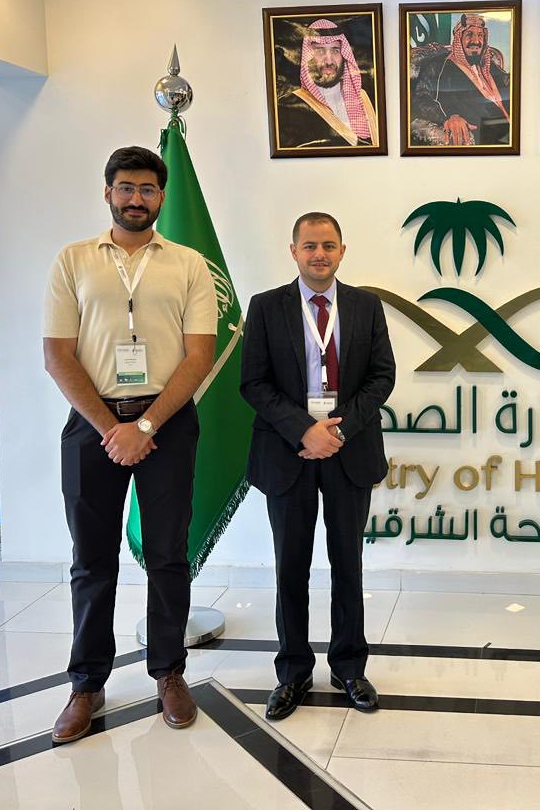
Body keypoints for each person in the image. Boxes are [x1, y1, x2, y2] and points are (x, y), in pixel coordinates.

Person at [42, 146, 218, 743]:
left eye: (146, 189)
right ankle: (86, 685)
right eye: (125, 187)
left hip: (167, 422)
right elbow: (57, 355)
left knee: (168, 554)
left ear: (162, 196)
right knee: (92, 559)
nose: (135, 198)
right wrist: (110, 427)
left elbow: (200, 355)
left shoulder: (189, 264)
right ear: (108, 193)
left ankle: (169, 672)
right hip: (92, 424)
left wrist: (144, 427)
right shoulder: (72, 260)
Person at [239, 212, 395, 721]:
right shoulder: (265, 307)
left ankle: (350, 667)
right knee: (291, 567)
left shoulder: (367, 306)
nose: (319, 254)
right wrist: (304, 430)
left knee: (348, 564)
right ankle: (293, 673)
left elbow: (381, 377)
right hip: (287, 452)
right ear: (294, 251)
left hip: (350, 452)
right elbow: (253, 382)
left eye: (328, 245)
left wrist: (338, 431)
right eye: (310, 246)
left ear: (342, 250)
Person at [275, 19, 380, 149]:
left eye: (335, 50)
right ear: (308, 56)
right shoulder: (289, 106)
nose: (329, 61)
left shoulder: (368, 98)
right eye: (320, 51)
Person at [410, 12, 511, 146]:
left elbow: (509, 84)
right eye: (469, 34)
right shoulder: (439, 66)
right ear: (459, 38)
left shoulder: (488, 64)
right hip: (484, 135)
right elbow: (420, 99)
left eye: (480, 35)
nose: (476, 41)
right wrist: (449, 118)